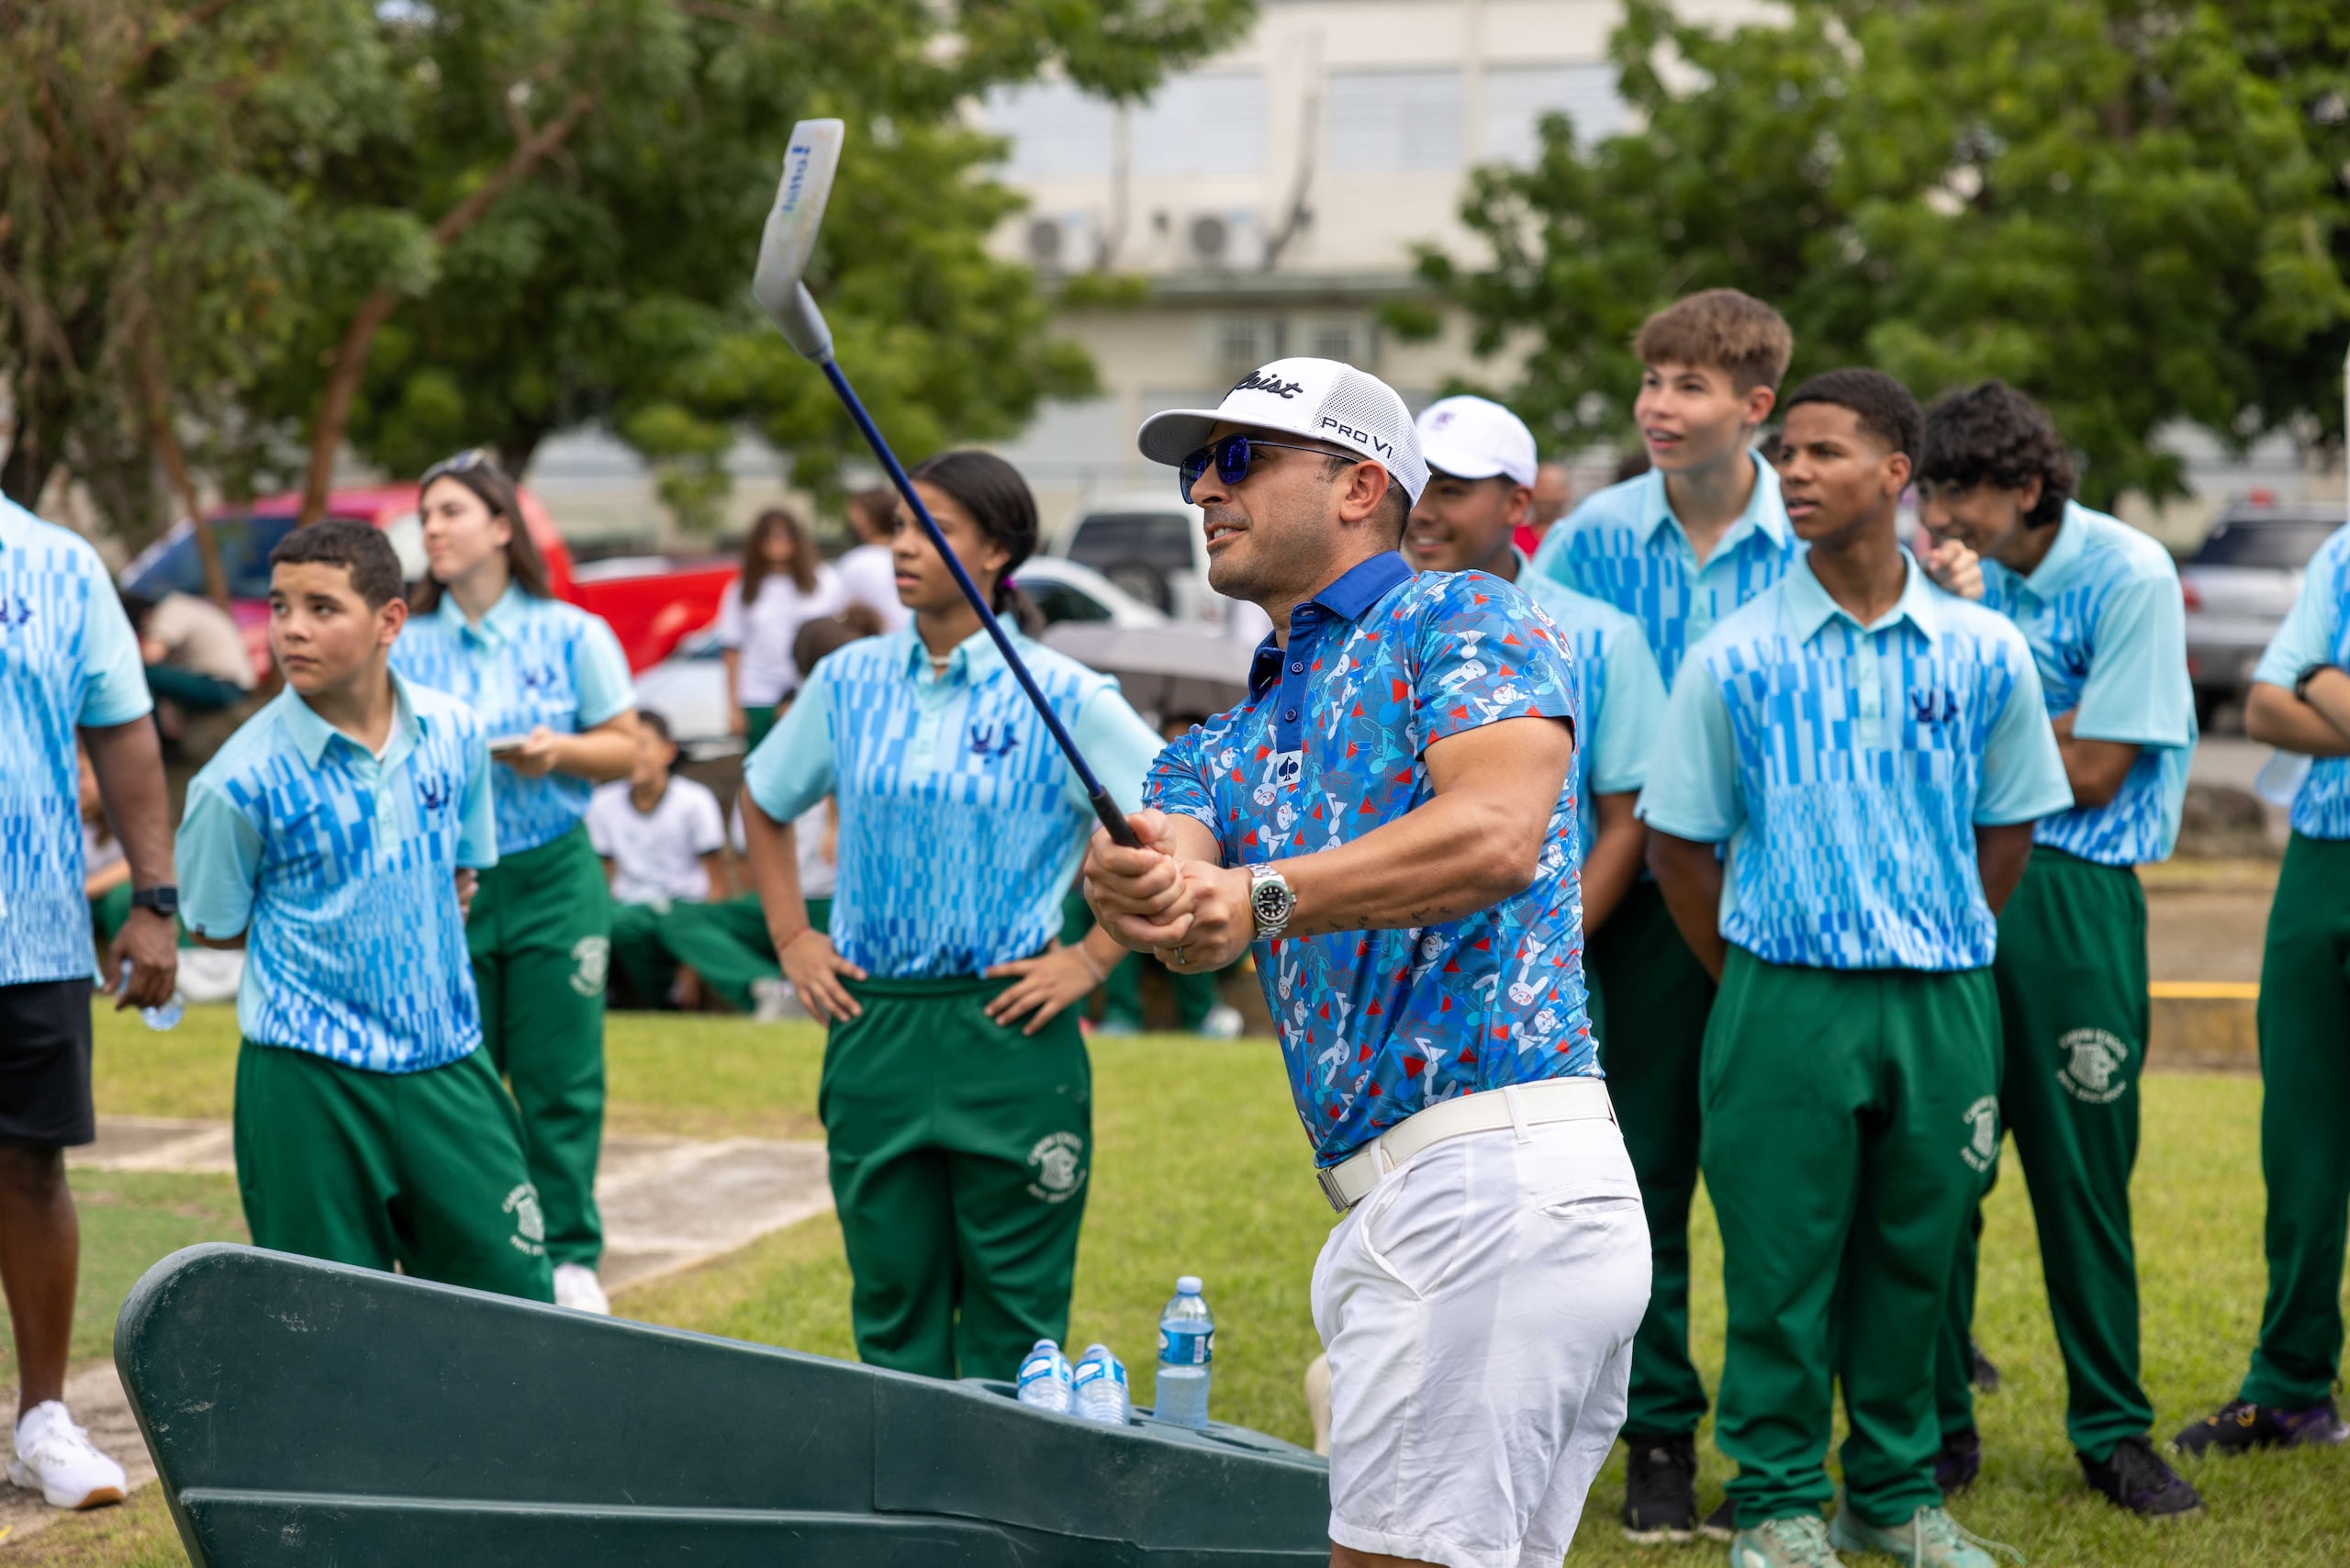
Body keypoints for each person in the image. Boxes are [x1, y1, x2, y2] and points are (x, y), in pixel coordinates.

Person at [1086, 357, 1650, 1568]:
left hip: (1494, 1177)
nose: (1204, 492)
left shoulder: (1466, 616)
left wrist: (1257, 894)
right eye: (1198, 467)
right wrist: (1136, 886)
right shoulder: (1220, 739)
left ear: (1358, 485)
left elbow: (1497, 834)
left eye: (1240, 460)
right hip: (1406, 1205)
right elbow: (1183, 894)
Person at [1639, 370, 2072, 1568]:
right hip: (1782, 993)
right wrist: (1758, 974)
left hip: (1940, 997)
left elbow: (2010, 827)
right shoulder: (1735, 657)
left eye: (1827, 452)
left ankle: (1887, 1497)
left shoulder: (1985, 651)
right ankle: (1775, 1503)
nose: (1798, 473)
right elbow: (1680, 846)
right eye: (1788, 455)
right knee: (1779, 1267)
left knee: (1914, 1259)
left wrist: (1930, 931)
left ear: (1897, 474)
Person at [738, 449, 1164, 1382]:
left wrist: (1092, 961)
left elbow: (1179, 821)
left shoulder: (1063, 694)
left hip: (1009, 1034)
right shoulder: (846, 680)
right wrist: (791, 938)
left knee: (1018, 1329)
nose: (901, 546)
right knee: (891, 1319)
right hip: (872, 1026)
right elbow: (765, 798)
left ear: (997, 549)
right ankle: (905, 1524)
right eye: (895, 523)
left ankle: (1004, 1519)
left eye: (929, 526)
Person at [1916, 382, 2202, 1516]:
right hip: (1946, 886)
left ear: (2026, 490)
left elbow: (2095, 772)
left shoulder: (2125, 574)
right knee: (1938, 1163)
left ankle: (2112, 1432)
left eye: (1959, 492)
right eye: (1926, 487)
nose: (1935, 515)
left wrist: (1979, 696)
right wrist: (2036, 713)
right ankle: (1934, 1427)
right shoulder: (1931, 577)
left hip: (2073, 889)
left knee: (2082, 1171)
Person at [178, 522, 554, 1312]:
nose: (293, 630)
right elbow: (215, 924)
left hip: (447, 1060)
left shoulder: (455, 732)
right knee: (323, 1326)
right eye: (280, 607)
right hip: (305, 1076)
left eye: (322, 607)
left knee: (515, 1308)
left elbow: (462, 871)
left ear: (390, 620)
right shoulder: (234, 783)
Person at [389, 449, 636, 1316]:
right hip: (440, 881)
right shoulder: (404, 640)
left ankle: (569, 1253)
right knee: (455, 1071)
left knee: (560, 1073)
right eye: (425, 518)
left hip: (552, 873)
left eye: (450, 512)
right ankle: (477, 1250)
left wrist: (553, 750)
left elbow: (627, 747)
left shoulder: (570, 632)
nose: (432, 531)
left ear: (502, 526)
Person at [0, 495, 173, 1510]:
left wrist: (152, 900)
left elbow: (125, 735)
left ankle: (42, 1421)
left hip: (31, 929)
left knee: (29, 1167)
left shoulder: (59, 564)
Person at [1404, 393, 1666, 1044]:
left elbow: (1625, 820)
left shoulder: (1600, 636)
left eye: (1453, 490)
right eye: (1412, 486)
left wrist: (1549, 947)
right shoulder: (1368, 627)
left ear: (1517, 505)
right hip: (1386, 968)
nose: (1423, 512)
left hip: (1536, 979)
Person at [2174, 518, 2350, 1456]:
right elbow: (2268, 706)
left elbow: (2305, 687)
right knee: (2302, 1145)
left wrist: (2326, 679)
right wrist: (2307, 686)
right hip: (2321, 860)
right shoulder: (2344, 552)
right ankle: (2288, 1387)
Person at [655, 611, 884, 1020]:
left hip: (846, 903)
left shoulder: (864, 734)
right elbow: (751, 840)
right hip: (789, 903)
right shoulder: (770, 767)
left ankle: (806, 988)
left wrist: (835, 819)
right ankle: (778, 992)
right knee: (682, 921)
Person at [588, 711, 726, 1010]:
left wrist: (693, 967)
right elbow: (602, 882)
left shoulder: (695, 801)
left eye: (644, 745)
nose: (635, 756)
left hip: (683, 910)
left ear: (668, 751)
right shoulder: (601, 803)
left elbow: (717, 885)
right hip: (629, 912)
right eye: (628, 746)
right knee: (614, 924)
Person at [718, 505, 845, 747]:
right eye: (769, 536)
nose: (777, 543)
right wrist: (733, 708)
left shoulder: (825, 581)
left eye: (785, 535)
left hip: (810, 691)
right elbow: (732, 649)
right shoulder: (742, 588)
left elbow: (837, 639)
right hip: (758, 695)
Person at [122, 589, 256, 715]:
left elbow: (150, 656)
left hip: (223, 685)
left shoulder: (171, 607)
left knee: (143, 672)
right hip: (232, 685)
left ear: (145, 616)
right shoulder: (188, 606)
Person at [833, 487, 911, 633]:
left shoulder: (857, 561)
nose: (852, 518)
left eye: (857, 511)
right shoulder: (911, 554)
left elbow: (840, 610)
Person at [1523, 457, 1572, 553]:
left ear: (1566, 492)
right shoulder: (1512, 539)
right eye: (1541, 488)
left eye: (1553, 488)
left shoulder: (1574, 539)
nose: (1546, 496)